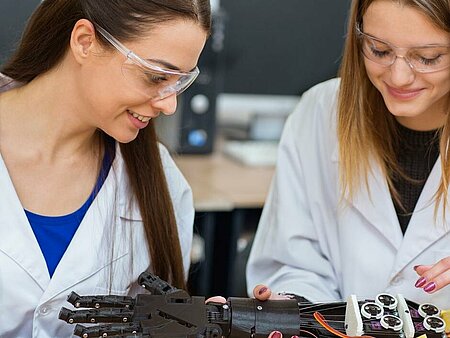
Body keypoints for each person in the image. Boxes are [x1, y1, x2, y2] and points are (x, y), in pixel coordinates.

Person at [0, 0, 210, 336]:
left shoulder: (161, 182)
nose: (169, 105)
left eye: (178, 82)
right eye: (156, 76)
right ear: (85, 41)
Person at [246, 0, 450, 325]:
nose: (398, 77)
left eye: (427, 58)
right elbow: (294, 263)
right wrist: (294, 311)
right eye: (379, 50)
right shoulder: (319, 112)